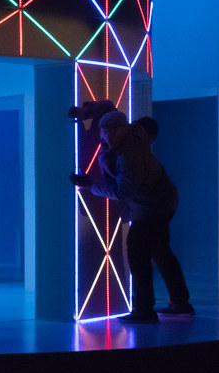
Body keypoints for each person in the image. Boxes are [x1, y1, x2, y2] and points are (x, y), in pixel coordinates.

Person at [71, 110, 193, 323]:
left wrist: (91, 186)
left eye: (111, 131)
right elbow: (108, 106)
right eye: (104, 131)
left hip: (153, 205)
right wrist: (86, 110)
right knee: (161, 252)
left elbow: (123, 191)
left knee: (138, 253)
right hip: (160, 200)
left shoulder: (130, 154)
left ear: (122, 129)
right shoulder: (123, 135)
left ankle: (144, 310)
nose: (106, 135)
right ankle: (180, 303)